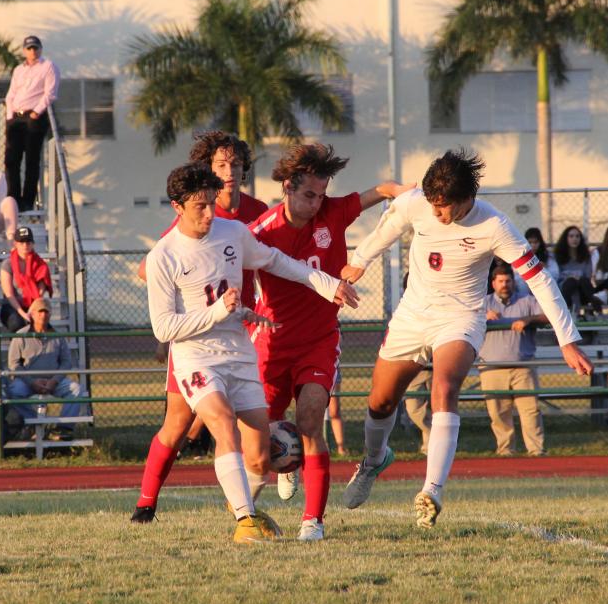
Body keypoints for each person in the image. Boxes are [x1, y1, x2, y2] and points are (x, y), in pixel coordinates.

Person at [340, 149, 591, 528]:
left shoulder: (495, 225)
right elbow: (387, 228)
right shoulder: (416, 203)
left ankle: (431, 491)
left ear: (466, 198)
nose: (437, 214)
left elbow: (539, 279)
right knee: (380, 401)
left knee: (444, 388)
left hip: (460, 318)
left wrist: (566, 337)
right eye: (433, 206)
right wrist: (359, 261)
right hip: (412, 314)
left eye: (445, 208)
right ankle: (374, 459)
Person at [146, 162, 357, 543]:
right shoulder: (164, 256)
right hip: (196, 356)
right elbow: (163, 328)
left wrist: (326, 283)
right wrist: (216, 312)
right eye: (200, 207)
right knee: (222, 421)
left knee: (260, 453)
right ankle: (245, 519)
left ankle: (248, 503)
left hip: (239, 352)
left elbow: (276, 261)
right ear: (177, 207)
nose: (210, 213)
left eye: (212, 203)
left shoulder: (233, 233)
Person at [216, 142, 405, 540]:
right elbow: (224, 268)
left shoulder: (333, 213)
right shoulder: (261, 233)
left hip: (319, 340)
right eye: (309, 195)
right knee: (258, 448)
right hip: (271, 342)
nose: (317, 203)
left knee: (309, 421)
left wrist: (413, 196)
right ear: (287, 187)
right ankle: (253, 508)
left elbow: (385, 189)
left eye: (321, 195)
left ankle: (312, 522)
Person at [131, 131, 269, 523]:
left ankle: (259, 487)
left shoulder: (258, 211)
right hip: (197, 339)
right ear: (208, 171)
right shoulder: (195, 213)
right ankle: (146, 502)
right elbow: (154, 267)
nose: (229, 172)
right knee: (178, 425)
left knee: (258, 423)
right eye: (220, 165)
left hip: (243, 331)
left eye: (236, 164)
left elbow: (271, 259)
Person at [478, 260, 547, 457]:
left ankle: (536, 451)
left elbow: (550, 315)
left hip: (522, 365)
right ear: (493, 283)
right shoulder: (482, 303)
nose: (505, 285)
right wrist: (482, 317)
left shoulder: (526, 301)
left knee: (530, 410)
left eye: (508, 281)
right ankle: (505, 451)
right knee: (498, 413)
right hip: (492, 367)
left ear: (513, 282)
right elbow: (460, 318)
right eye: (500, 281)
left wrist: (529, 319)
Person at [5, 297, 86, 441]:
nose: (44, 315)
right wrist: (31, 382)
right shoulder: (20, 336)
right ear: (33, 314)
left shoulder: (58, 335)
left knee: (76, 389)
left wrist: (54, 381)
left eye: (47, 312)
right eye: (40, 311)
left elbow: (66, 362)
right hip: (27, 381)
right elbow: (13, 364)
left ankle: (64, 429)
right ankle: (34, 424)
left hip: (53, 381)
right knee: (12, 392)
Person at [4, 35, 59, 212]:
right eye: (29, 48)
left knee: (31, 160)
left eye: (35, 48)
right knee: (12, 159)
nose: (32, 51)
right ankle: (13, 199)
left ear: (40, 49)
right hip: (16, 118)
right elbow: (11, 94)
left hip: (34, 117)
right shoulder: (19, 70)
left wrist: (36, 112)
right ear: (24, 51)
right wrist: (9, 115)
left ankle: (27, 200)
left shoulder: (48, 67)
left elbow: (50, 93)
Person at [0, 226, 53, 332]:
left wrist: (31, 311)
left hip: (33, 305)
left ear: (32, 244)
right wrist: (23, 314)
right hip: (12, 307)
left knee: (45, 326)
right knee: (17, 323)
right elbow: (9, 294)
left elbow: (39, 294)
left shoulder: (40, 264)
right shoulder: (7, 264)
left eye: (28, 242)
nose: (25, 246)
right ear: (15, 244)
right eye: (21, 242)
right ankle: (17, 348)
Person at [554, 225, 601, 316]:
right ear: (566, 238)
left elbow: (587, 276)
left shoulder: (586, 256)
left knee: (583, 281)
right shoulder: (558, 255)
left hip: (582, 289)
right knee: (571, 282)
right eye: (571, 236)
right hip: (565, 289)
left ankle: (595, 307)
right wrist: (571, 276)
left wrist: (577, 278)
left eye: (577, 236)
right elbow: (558, 275)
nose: (574, 239)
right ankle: (567, 312)